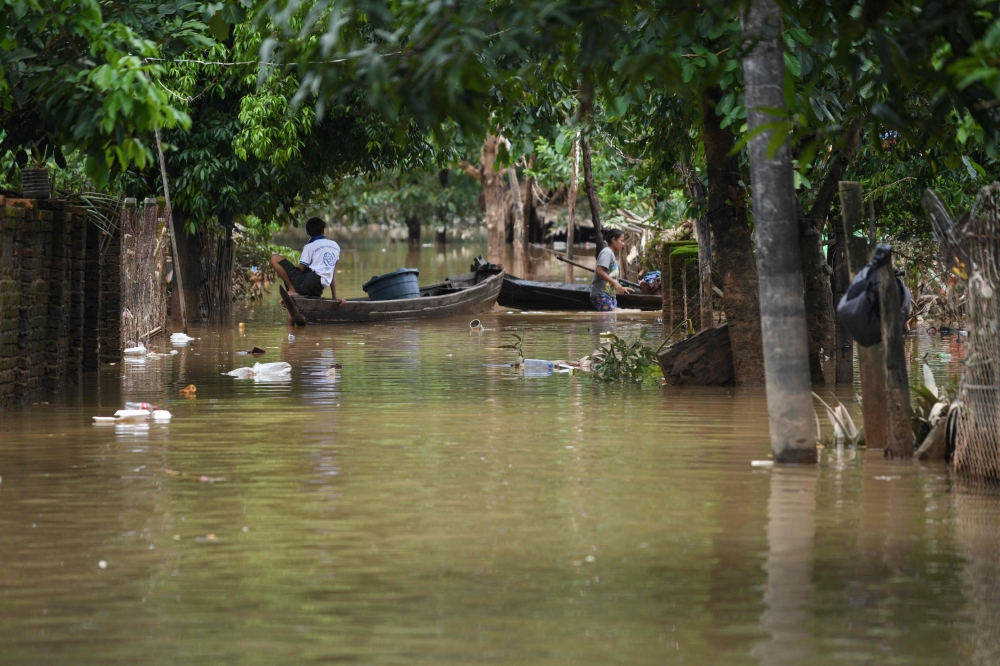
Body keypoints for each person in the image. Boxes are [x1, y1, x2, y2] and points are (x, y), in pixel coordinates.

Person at [271, 217, 346, 306]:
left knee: (275, 258)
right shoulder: (335, 246)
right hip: (318, 288)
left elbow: (300, 270)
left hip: (310, 282)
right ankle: (295, 294)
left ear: (307, 232)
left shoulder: (310, 246)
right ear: (323, 231)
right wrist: (335, 297)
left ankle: (292, 290)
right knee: (295, 305)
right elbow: (332, 274)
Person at [590, 228, 629, 311]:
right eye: (621, 240)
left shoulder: (611, 254)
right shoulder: (607, 252)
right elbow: (599, 271)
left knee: (612, 321)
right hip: (601, 294)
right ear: (613, 240)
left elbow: (610, 275)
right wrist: (615, 282)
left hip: (610, 295)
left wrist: (620, 286)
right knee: (608, 320)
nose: (623, 243)